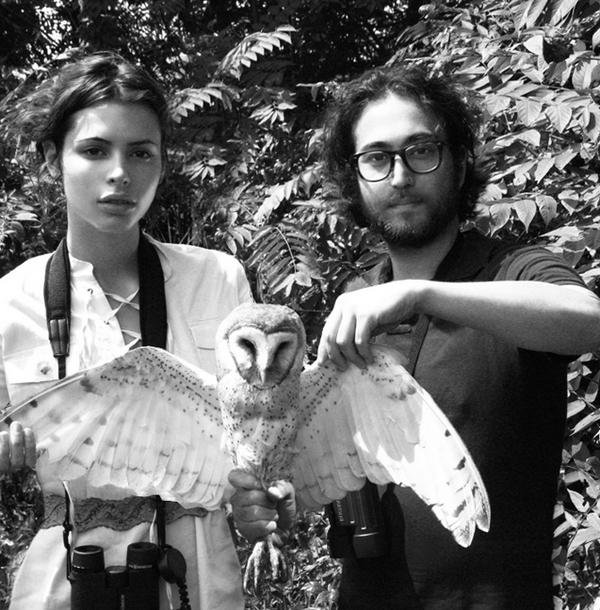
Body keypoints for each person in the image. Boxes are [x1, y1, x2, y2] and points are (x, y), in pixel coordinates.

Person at [230, 65, 600, 608]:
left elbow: (589, 320)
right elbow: (336, 458)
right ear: (355, 179)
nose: (400, 176)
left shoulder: (511, 270)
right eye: (377, 158)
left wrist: (421, 294)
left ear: (460, 162)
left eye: (421, 150)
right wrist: (280, 501)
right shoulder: (356, 303)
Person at [0, 51, 252, 609]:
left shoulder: (217, 280)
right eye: (94, 150)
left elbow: (251, 435)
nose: (120, 173)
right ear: (53, 159)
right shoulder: (9, 303)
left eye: (141, 153)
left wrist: (261, 497)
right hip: (67, 580)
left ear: (161, 163)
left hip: (197, 579)